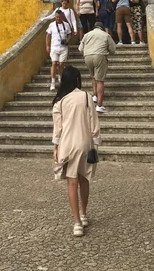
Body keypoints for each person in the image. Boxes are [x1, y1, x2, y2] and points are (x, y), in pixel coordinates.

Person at [52, 66, 101, 237]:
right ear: (78, 80)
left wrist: (55, 147)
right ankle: (83, 213)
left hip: (67, 144)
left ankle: (77, 223)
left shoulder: (60, 101)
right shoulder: (86, 96)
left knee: (71, 183)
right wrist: (96, 143)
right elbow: (93, 122)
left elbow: (57, 129)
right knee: (84, 180)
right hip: (84, 143)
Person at [79, 22, 116, 113]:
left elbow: (80, 49)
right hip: (99, 56)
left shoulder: (87, 34)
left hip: (87, 56)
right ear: (102, 28)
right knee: (100, 80)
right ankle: (99, 105)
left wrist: (86, 53)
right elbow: (113, 50)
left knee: (93, 77)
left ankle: (95, 95)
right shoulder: (106, 35)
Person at [46, 10, 72, 91]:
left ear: (62, 17)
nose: (58, 18)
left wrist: (67, 41)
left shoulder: (66, 25)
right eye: (56, 17)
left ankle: (60, 77)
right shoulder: (52, 25)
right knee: (54, 63)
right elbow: (48, 35)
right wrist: (47, 46)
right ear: (55, 16)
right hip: (54, 47)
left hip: (63, 48)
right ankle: (53, 82)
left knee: (61, 64)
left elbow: (69, 34)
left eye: (59, 17)